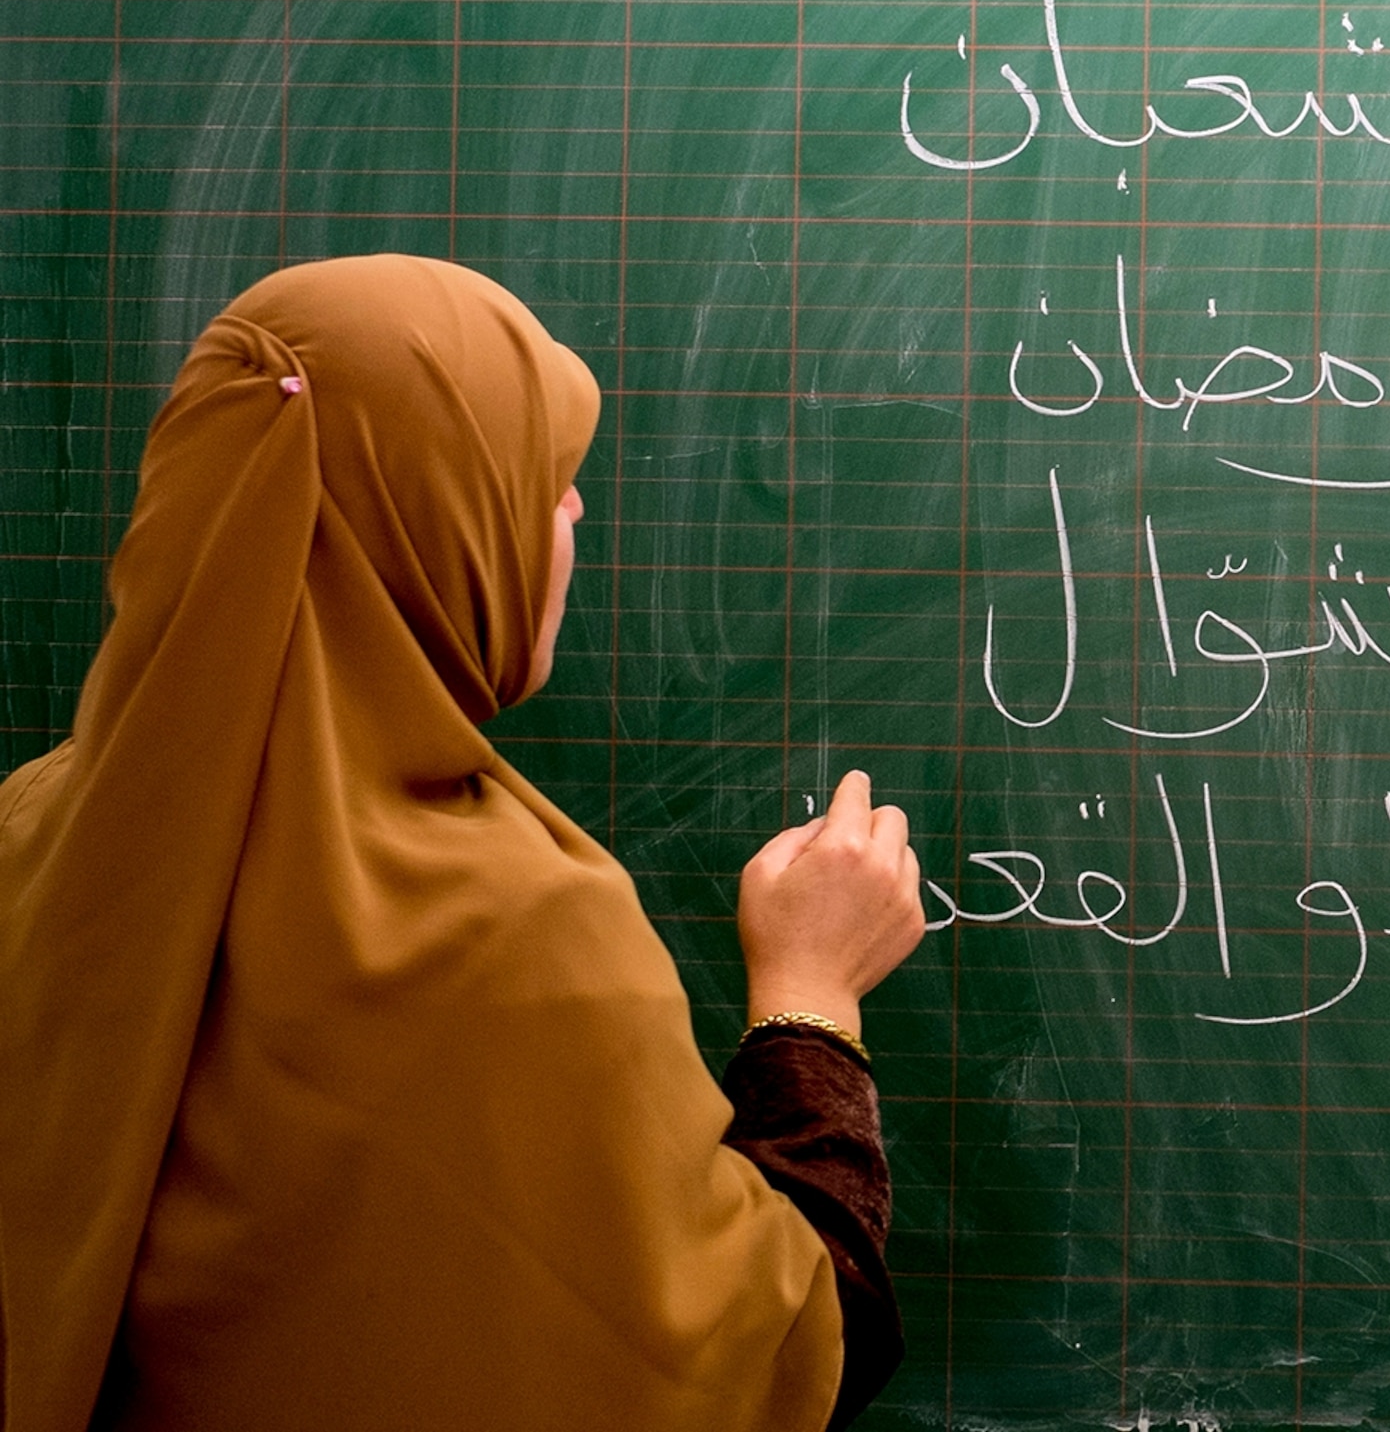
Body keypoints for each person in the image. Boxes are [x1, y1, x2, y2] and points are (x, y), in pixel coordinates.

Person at [0, 255, 928, 1430]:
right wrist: (810, 1000)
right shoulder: (511, 931)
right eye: (540, 482)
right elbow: (782, 1354)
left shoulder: (27, 840)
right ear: (435, 523)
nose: (576, 512)